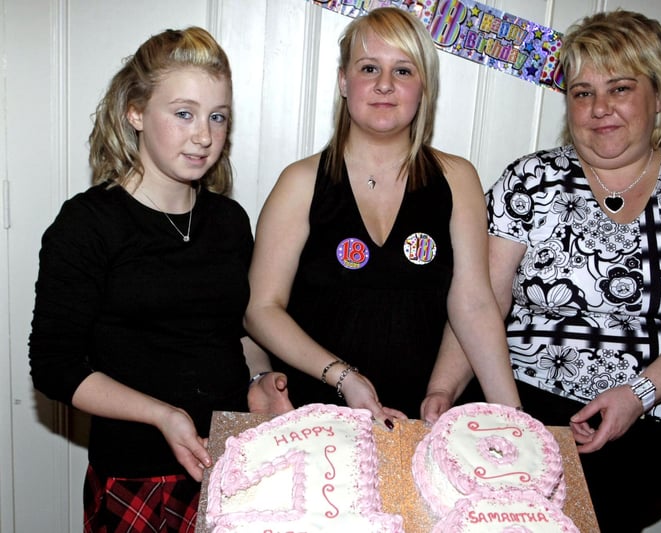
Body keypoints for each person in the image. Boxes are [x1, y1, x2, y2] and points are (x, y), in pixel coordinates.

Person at [424, 9, 661, 532]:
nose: (600, 108)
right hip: (516, 408)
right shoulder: (528, 179)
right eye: (582, 92)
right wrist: (442, 388)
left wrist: (638, 394)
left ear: (658, 95)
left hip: (649, 417)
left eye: (620, 88)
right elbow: (481, 300)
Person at [28, 27, 290, 532]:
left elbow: (236, 328)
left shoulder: (230, 220)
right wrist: (162, 415)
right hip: (136, 476)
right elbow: (55, 368)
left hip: (231, 461)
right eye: (184, 113)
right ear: (136, 112)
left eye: (218, 117)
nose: (204, 135)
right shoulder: (87, 224)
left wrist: (259, 381)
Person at [244, 7, 520, 427]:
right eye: (369, 68)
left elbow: (476, 305)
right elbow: (260, 309)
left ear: (424, 86)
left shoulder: (456, 179)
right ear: (343, 81)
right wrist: (343, 377)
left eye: (404, 71)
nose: (385, 85)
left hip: (424, 420)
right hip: (317, 416)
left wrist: (515, 419)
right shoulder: (299, 183)